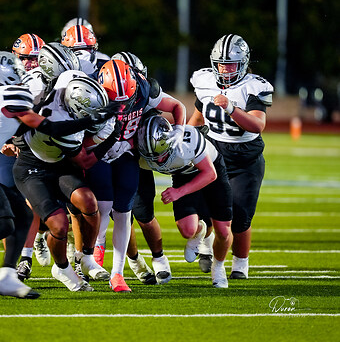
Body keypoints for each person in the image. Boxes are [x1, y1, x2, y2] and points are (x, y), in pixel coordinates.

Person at [0, 51, 112, 297]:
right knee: (3, 222)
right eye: (17, 69)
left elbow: (21, 127)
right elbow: (50, 127)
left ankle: (7, 276)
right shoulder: (11, 93)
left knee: (23, 215)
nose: (23, 74)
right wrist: (91, 120)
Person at [85, 59, 186, 292]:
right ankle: (94, 249)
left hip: (127, 154)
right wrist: (98, 142)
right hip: (99, 154)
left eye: (126, 101)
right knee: (102, 206)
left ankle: (117, 274)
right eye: (116, 102)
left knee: (124, 213)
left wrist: (179, 128)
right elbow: (77, 134)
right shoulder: (91, 92)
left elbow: (177, 106)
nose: (122, 107)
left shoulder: (143, 88)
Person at [12, 72, 117, 292]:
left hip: (58, 162)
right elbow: (85, 161)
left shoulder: (69, 81)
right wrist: (114, 136)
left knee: (88, 201)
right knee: (59, 224)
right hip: (32, 167)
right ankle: (61, 268)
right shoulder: (62, 126)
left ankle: (87, 257)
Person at [188, 34, 273, 279]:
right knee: (205, 208)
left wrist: (231, 108)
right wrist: (184, 139)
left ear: (243, 63)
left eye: (231, 64)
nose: (225, 69)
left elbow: (257, 125)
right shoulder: (205, 81)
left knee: (241, 217)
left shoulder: (254, 87)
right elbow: (197, 118)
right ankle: (206, 246)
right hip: (214, 152)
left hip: (245, 159)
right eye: (221, 64)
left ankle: (240, 264)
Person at [136, 114, 233, 288]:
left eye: (160, 153)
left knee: (223, 230)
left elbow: (210, 174)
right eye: (152, 157)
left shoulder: (187, 141)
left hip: (210, 169)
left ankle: (218, 267)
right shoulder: (141, 155)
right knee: (188, 230)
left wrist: (178, 192)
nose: (157, 160)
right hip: (183, 174)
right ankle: (200, 230)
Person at [12, 42, 82, 280]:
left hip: (57, 148)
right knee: (24, 204)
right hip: (28, 146)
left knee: (70, 206)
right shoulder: (31, 83)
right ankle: (22, 258)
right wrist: (12, 139)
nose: (29, 63)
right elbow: (14, 114)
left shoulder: (70, 79)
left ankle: (79, 256)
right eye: (25, 58)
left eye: (33, 57)